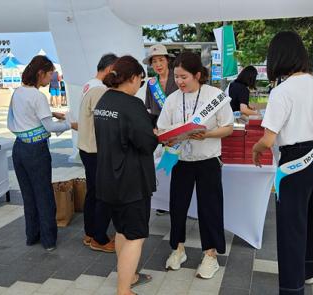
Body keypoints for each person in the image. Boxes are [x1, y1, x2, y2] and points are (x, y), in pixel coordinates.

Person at [251, 31, 313, 295]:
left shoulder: (282, 90)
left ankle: (291, 288)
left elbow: (268, 137)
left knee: (291, 225)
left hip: (296, 161)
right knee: (311, 217)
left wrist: (256, 148)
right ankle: (307, 270)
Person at [157, 52, 234, 279]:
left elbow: (228, 128)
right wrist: (168, 136)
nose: (179, 81)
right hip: (180, 160)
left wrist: (208, 134)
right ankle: (178, 249)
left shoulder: (216, 96)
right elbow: (162, 129)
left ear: (198, 75)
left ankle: (210, 255)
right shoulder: (172, 98)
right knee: (177, 206)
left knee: (209, 208)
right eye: (177, 77)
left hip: (208, 160)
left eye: (184, 77)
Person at [94, 55, 157, 295]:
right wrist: (155, 134)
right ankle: (124, 290)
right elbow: (147, 143)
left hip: (108, 178)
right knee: (135, 236)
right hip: (131, 181)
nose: (140, 85)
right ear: (132, 78)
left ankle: (128, 278)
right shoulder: (132, 105)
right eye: (140, 80)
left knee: (121, 230)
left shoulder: (104, 100)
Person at [7, 55, 76, 250]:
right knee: (43, 194)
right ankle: (49, 241)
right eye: (49, 75)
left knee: (28, 195)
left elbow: (25, 117)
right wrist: (69, 124)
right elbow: (49, 127)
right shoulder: (38, 96)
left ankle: (32, 236)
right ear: (40, 73)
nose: (50, 79)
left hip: (19, 147)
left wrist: (52, 113)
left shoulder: (18, 92)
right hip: (36, 150)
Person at [78, 53, 118, 253]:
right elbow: (105, 122)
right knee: (103, 193)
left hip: (86, 147)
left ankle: (90, 232)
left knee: (93, 192)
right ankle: (99, 238)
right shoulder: (100, 90)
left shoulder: (89, 84)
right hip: (96, 149)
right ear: (110, 68)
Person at [142, 44, 178, 217]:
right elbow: (148, 108)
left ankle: (179, 201)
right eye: (154, 61)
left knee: (178, 164)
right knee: (163, 166)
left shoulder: (177, 78)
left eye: (161, 60)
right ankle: (164, 202)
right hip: (160, 129)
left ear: (168, 61)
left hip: (178, 127)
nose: (158, 64)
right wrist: (153, 129)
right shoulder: (151, 83)